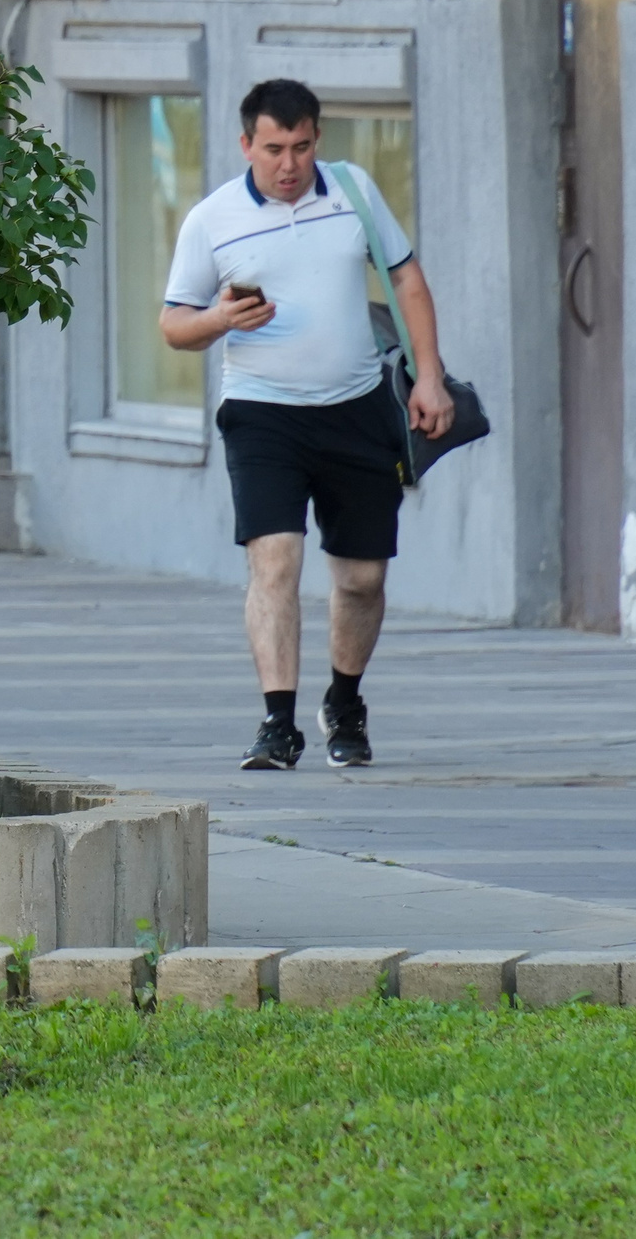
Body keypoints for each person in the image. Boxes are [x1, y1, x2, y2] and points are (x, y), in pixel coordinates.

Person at [158, 78, 453, 771]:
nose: (288, 164)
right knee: (276, 560)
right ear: (245, 145)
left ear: (318, 139)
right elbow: (174, 324)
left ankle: (345, 703)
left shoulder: (352, 191)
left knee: (361, 579)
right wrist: (220, 319)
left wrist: (431, 376)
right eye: (272, 149)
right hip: (262, 415)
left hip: (356, 408)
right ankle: (277, 722)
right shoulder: (213, 218)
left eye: (300, 147)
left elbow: (407, 281)